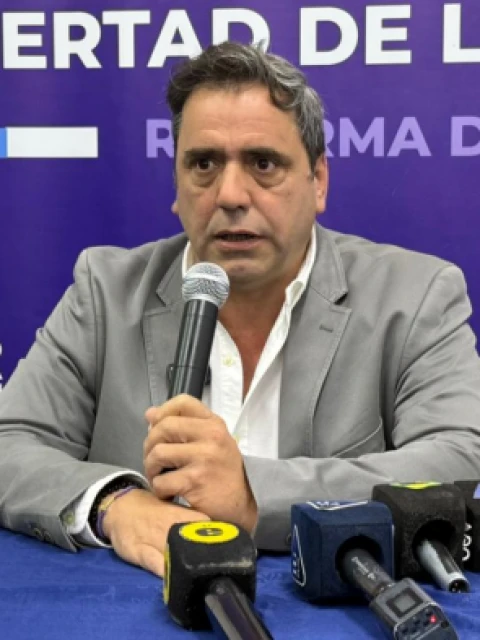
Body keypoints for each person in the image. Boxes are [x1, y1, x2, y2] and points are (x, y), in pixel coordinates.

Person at [1, 42, 480, 578]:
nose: (230, 194)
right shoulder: (105, 293)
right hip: (134, 603)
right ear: (177, 184)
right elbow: (8, 444)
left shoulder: (414, 296)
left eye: (263, 163)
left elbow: (460, 458)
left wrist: (253, 495)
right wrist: (114, 503)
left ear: (318, 180)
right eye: (204, 164)